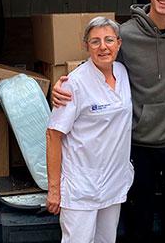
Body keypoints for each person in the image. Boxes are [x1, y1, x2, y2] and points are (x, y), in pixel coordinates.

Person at [52, 0, 165, 243]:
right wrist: (63, 82)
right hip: (139, 146)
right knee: (137, 224)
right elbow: (100, 54)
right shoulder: (125, 34)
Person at [46, 17, 134, 243]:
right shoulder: (72, 84)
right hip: (81, 186)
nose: (103, 46)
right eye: (95, 42)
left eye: (109, 40)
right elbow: (53, 134)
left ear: (119, 44)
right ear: (86, 47)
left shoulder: (123, 73)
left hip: (113, 183)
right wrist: (54, 189)